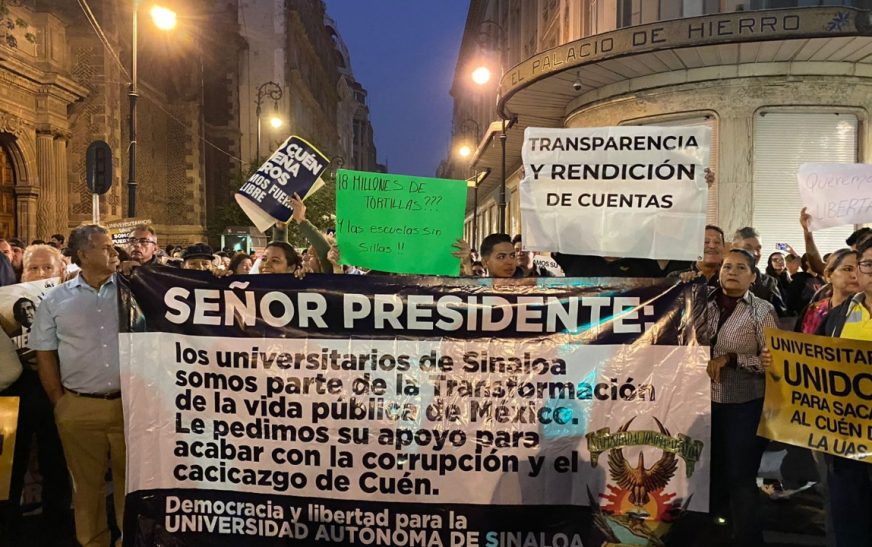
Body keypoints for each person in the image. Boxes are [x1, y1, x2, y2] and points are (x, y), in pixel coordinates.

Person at [31, 224, 125, 547]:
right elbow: (44, 353)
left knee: (132, 485)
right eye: (105, 247)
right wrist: (60, 402)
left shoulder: (132, 292)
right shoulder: (55, 301)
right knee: (86, 489)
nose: (113, 252)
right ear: (83, 255)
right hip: (78, 408)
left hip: (128, 406)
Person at [0, 243, 72, 546]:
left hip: (56, 390)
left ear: (61, 272)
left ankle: (55, 530)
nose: (40, 273)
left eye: (47, 268)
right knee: (8, 469)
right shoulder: (4, 304)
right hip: (12, 395)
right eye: (33, 267)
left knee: (55, 463)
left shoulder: (73, 303)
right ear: (21, 271)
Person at [705, 248, 777, 547]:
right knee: (708, 475)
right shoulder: (700, 303)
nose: (731, 272)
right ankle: (713, 536)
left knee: (739, 478)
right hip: (702, 404)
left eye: (740, 268)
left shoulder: (762, 310)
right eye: (726, 266)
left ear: (753, 275)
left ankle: (749, 539)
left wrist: (732, 359)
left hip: (744, 406)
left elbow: (774, 362)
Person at [815, 238, 872, 546]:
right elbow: (815, 364)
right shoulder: (838, 316)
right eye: (868, 265)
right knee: (849, 518)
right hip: (845, 437)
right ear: (859, 272)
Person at [732, 227, 788, 316]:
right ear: (734, 247)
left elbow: (781, 317)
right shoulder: (721, 279)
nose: (755, 253)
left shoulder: (769, 283)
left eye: (758, 249)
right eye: (748, 248)